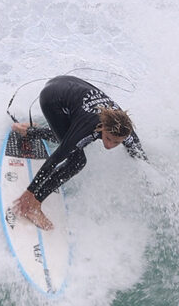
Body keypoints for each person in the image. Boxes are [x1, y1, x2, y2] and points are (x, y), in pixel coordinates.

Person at [11, 75, 146, 230]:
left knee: (68, 138)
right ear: (102, 127)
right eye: (108, 138)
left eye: (117, 142)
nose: (110, 145)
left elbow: (140, 158)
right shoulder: (89, 126)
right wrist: (29, 192)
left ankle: (26, 131)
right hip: (53, 98)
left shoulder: (127, 132)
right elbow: (56, 158)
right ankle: (32, 205)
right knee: (77, 161)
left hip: (67, 83)